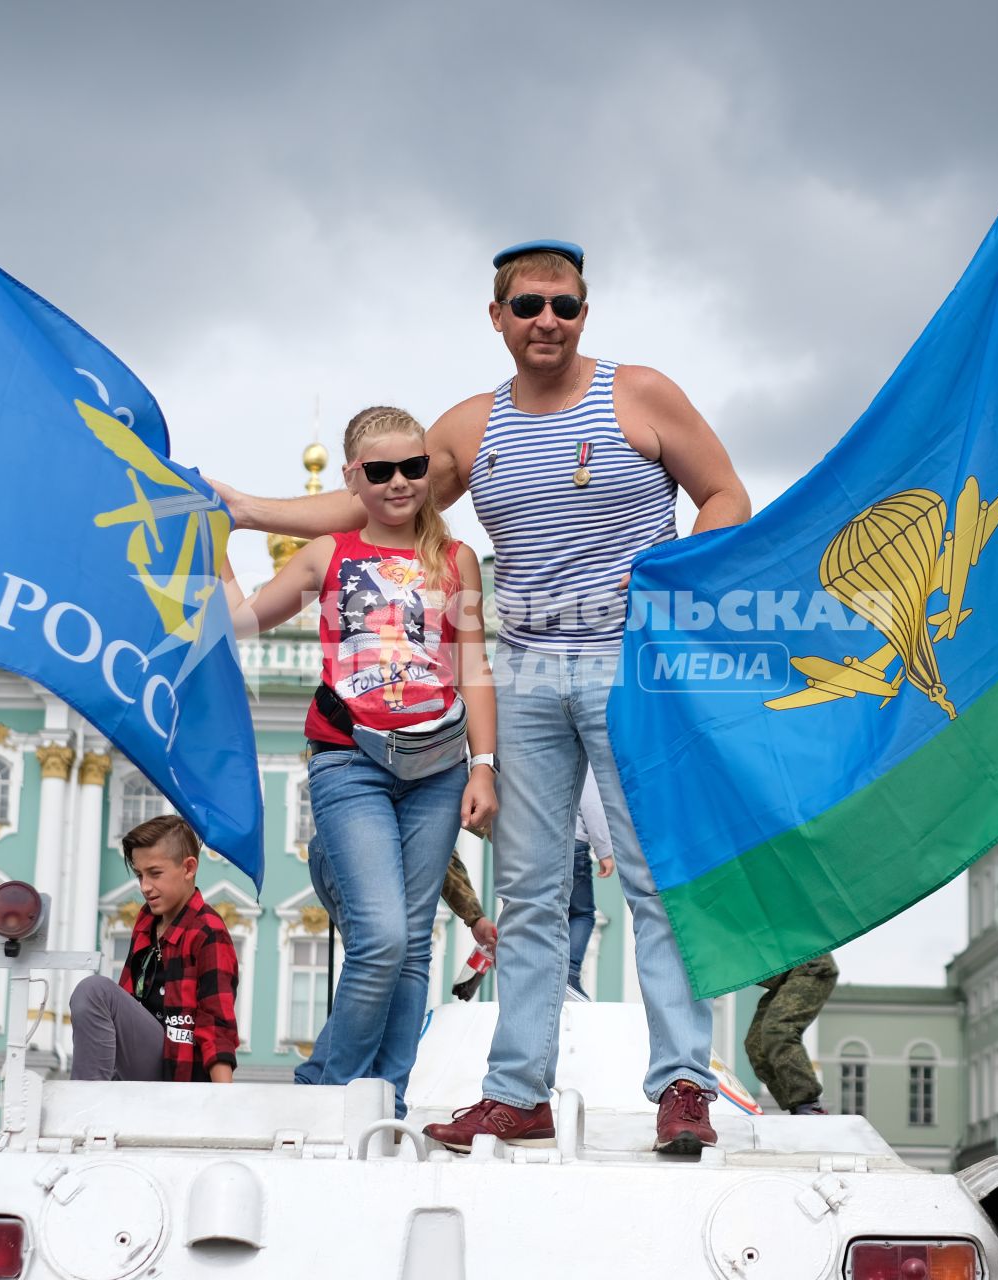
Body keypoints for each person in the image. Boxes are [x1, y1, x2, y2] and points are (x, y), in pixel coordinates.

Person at [215, 240, 752, 1155]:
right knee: (531, 893)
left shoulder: (640, 394)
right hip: (530, 669)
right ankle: (517, 1093)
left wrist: (671, 583)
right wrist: (250, 511)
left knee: (657, 880)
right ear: (497, 317)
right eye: (530, 304)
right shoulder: (471, 427)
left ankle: (682, 1086)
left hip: (630, 664)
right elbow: (383, 505)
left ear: (586, 314)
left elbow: (725, 495)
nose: (549, 320)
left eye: (567, 305)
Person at [224, 405, 498, 1116]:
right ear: (354, 478)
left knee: (412, 947)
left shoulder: (454, 558)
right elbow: (242, 621)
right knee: (379, 935)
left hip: (438, 767)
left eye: (415, 467)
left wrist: (484, 764)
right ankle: (329, 1091)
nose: (401, 482)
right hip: (350, 761)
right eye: (381, 471)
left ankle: (389, 1102)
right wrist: (212, 541)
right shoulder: (327, 551)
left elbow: (473, 670)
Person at [292, 843, 498, 1086]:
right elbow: (436, 850)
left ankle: (325, 1080)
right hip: (357, 856)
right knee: (384, 968)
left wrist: (474, 916)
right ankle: (330, 1080)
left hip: (335, 852)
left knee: (375, 969)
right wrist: (474, 916)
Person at [70, 814, 238, 1082]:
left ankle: (86, 1103)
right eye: (139, 875)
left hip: (179, 1072)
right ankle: (98, 1096)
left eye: (155, 873)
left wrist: (223, 1106)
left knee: (94, 990)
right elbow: (127, 997)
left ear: (188, 868)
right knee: (96, 996)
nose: (145, 887)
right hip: (139, 1067)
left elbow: (217, 1026)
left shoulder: (208, 930)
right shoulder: (146, 921)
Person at [742, 953, 840, 1115]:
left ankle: (809, 1104)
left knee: (778, 1029)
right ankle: (797, 1107)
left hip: (810, 966)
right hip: (784, 980)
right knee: (756, 1045)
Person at [566, 770, 615, 1001]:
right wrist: (604, 850)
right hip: (574, 844)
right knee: (582, 914)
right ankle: (570, 974)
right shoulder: (581, 758)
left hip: (538, 845)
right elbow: (591, 805)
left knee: (546, 914)